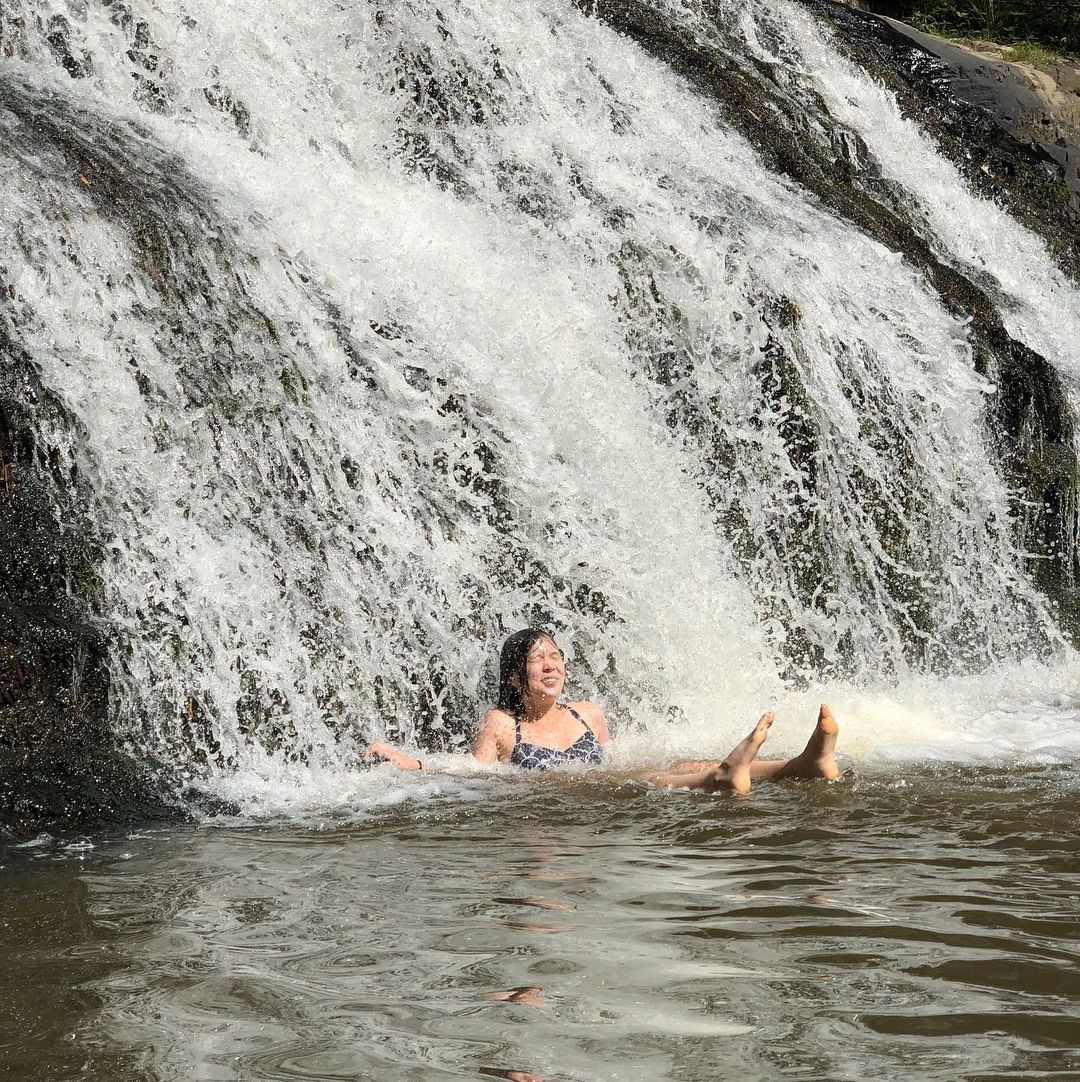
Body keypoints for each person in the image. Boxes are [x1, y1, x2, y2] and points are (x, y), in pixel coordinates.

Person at [365, 627, 840, 794]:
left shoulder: (588, 713)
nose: (551, 665)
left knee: (678, 763)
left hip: (606, 778)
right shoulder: (502, 724)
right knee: (639, 779)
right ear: (513, 677)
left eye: (556, 656)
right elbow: (475, 771)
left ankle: (802, 764)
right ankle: (721, 777)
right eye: (537, 659)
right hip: (571, 796)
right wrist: (415, 764)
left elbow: (612, 758)